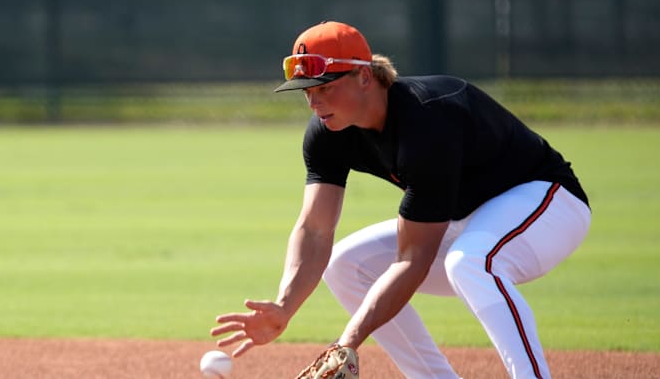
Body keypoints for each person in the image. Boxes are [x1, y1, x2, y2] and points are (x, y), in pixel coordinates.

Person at [210, 21, 591, 379]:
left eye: (325, 87)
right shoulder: (328, 131)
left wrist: (347, 343)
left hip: (546, 203)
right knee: (346, 264)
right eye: (307, 90)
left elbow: (414, 259)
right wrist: (285, 305)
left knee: (471, 262)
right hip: (466, 220)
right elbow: (314, 227)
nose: (314, 101)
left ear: (364, 76)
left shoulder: (428, 119)